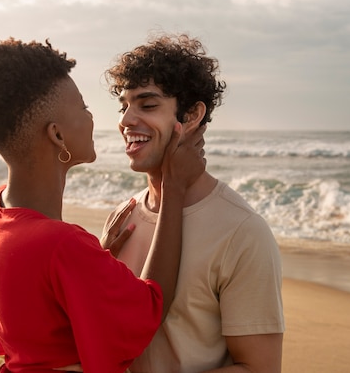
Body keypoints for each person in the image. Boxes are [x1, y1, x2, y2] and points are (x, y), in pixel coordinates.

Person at [0, 37, 206, 373]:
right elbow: (150, 310)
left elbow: (34, 304)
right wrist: (173, 186)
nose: (107, 120)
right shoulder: (62, 246)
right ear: (57, 136)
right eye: (84, 108)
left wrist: (89, 267)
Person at [101, 33, 285, 372]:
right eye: (124, 105)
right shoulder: (121, 218)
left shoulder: (241, 231)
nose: (126, 120)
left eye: (148, 104)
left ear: (192, 115)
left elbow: (260, 368)